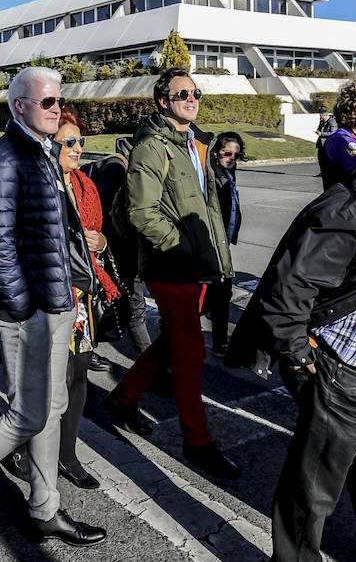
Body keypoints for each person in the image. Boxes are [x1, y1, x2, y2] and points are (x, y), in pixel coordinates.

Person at [227, 127, 356, 561]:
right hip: (341, 372)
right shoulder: (347, 212)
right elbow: (291, 290)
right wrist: (300, 357)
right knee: (315, 483)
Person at [0, 67, 105, 546]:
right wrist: (24, 308)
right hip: (27, 311)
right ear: (19, 106)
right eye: (47, 102)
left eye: (58, 101)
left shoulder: (41, 154)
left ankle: (44, 509)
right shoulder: (5, 158)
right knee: (29, 415)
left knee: (51, 409)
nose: (56, 109)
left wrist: (65, 297)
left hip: (53, 304)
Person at [103, 68, 239, 480]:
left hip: (200, 266)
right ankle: (197, 441)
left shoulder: (196, 143)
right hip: (172, 265)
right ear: (163, 101)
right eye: (182, 94)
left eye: (195, 93)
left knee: (170, 343)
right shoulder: (153, 146)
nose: (191, 99)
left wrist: (216, 261)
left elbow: (208, 209)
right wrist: (182, 250)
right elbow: (141, 213)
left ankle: (123, 399)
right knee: (191, 353)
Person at [4, 106, 123, 491]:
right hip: (48, 294)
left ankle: (67, 455)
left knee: (80, 374)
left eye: (80, 141)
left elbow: (101, 237)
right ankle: (22, 445)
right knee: (50, 378)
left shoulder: (86, 185)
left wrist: (100, 242)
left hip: (83, 295)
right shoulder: (38, 183)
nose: (77, 148)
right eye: (68, 142)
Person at [83, 136, 150, 353]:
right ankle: (149, 362)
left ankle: (89, 347)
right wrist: (105, 246)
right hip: (116, 249)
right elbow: (101, 212)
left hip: (121, 247)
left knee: (124, 303)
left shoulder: (122, 167)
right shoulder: (117, 168)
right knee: (133, 307)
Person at [206, 131, 244, 356]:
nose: (231, 158)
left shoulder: (229, 173)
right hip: (212, 244)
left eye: (235, 155)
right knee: (219, 293)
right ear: (215, 153)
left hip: (223, 242)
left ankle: (220, 342)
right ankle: (219, 343)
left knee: (221, 292)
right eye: (226, 153)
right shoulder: (212, 177)